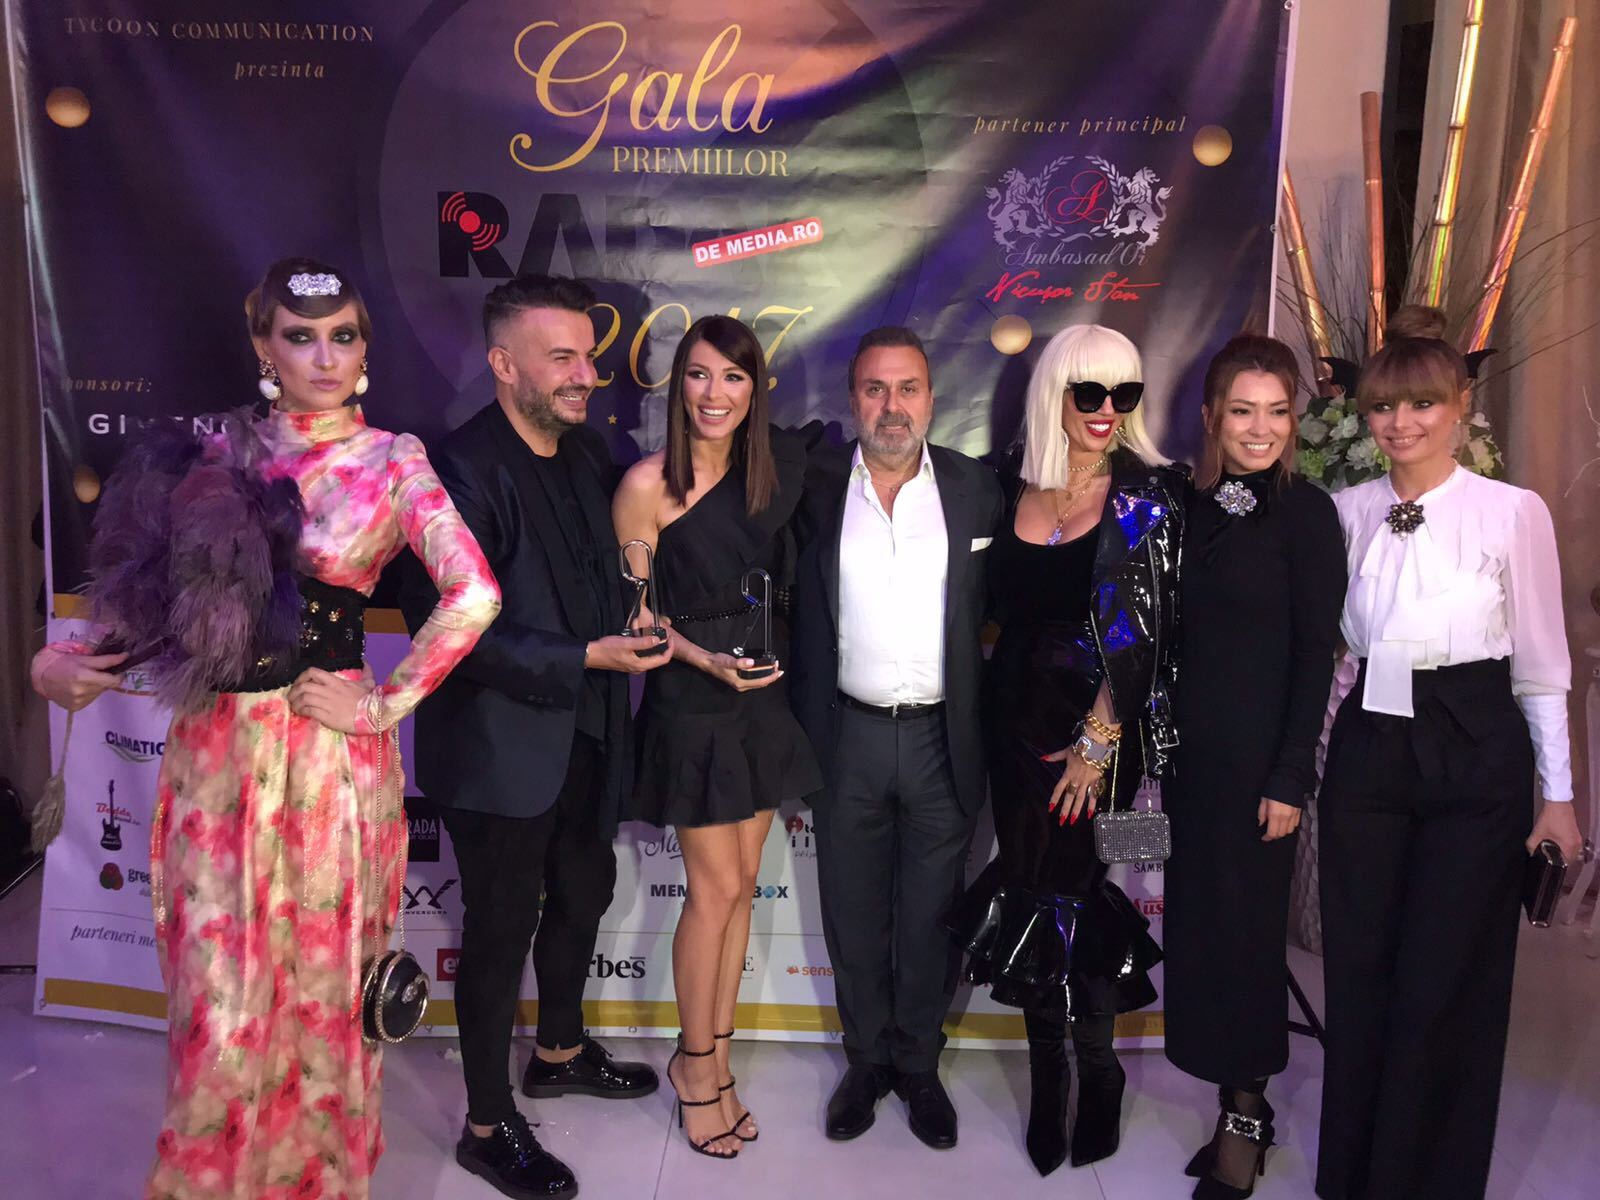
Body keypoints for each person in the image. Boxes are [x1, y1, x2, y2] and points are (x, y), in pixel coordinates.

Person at [30, 257, 501, 1200]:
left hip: (326, 763)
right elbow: (150, 604)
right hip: (214, 762)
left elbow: (474, 592)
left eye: (344, 337)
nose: (324, 358)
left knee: (325, 990)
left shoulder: (392, 460)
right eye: (300, 337)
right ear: (263, 347)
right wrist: (59, 664)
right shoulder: (211, 450)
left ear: (365, 350)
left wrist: (382, 704)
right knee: (216, 998)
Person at [399, 274, 665, 1200]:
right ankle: (485, 1126)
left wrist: (635, 619)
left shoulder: (587, 453)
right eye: (562, 357)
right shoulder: (457, 469)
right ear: (503, 364)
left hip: (588, 731)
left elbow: (600, 578)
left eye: (587, 356)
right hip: (498, 750)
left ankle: (557, 1050)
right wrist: (583, 653)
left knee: (584, 893)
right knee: (500, 928)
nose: (585, 373)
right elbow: (446, 624)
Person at [1315, 334, 1582, 1200]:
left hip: (1475, 743)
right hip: (1371, 744)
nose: (1402, 422)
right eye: (1384, 406)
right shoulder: (1344, 509)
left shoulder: (1512, 511)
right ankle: (1356, 1177)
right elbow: (1333, 656)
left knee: (1448, 973)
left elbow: (1541, 665)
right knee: (1361, 967)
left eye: (1423, 403)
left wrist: (1559, 797)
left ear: (1459, 407)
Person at [945, 323, 1184, 1175]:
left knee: (1074, 893)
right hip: (1012, 720)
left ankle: (1098, 1071)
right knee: (1026, 885)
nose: (1107, 409)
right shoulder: (1010, 482)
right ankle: (1050, 1077)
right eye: (1090, 392)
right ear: (1056, 393)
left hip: (1098, 726)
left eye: (1125, 393)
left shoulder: (1148, 495)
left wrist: (1099, 739)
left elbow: (1149, 631)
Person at [787, 326, 1002, 1150]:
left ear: (932, 399)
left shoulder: (975, 488)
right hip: (847, 736)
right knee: (852, 913)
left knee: (932, 918)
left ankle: (918, 1064)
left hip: (945, 739)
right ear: (852, 399)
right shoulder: (810, 488)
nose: (892, 406)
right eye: (875, 389)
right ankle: (866, 1062)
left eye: (907, 388)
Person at [611, 315, 821, 1158]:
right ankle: (693, 1066)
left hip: (761, 701)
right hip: (691, 700)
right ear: (679, 384)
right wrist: (704, 661)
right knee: (715, 889)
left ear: (753, 390)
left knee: (740, 890)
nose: (714, 393)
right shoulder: (646, 485)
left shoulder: (772, 472)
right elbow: (637, 618)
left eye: (733, 378)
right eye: (699, 374)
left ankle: (718, 1062)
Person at [1161, 335, 1346, 1198]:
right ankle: (1230, 1102)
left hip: (1259, 777)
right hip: (1189, 770)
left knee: (1245, 945)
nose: (1261, 428)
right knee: (1200, 940)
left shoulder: (1307, 515)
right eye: (1243, 410)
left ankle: (1246, 1118)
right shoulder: (1187, 506)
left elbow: (1315, 657)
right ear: (1210, 416)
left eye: (1277, 411)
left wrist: (1289, 777)